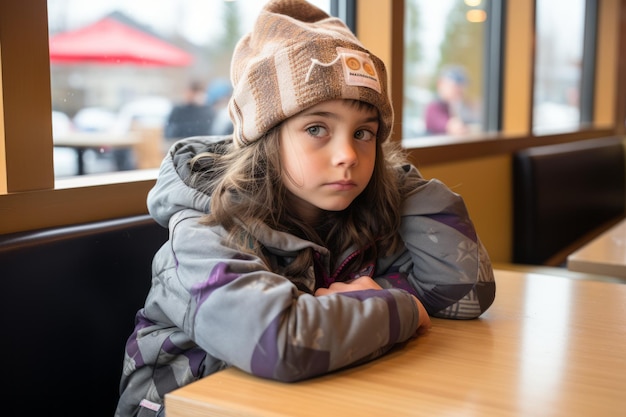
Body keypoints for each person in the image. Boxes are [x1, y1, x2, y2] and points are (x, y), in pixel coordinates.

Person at [116, 1, 496, 416]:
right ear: (264, 140)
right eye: (317, 128)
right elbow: (277, 342)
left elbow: (464, 291)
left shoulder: (353, 215)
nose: (347, 154)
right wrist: (400, 306)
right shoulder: (202, 232)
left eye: (364, 133)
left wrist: (391, 174)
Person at [424, 65, 481, 135]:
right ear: (440, 83)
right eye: (455, 86)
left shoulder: (460, 106)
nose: (459, 90)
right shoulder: (433, 107)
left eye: (462, 86)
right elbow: (453, 127)